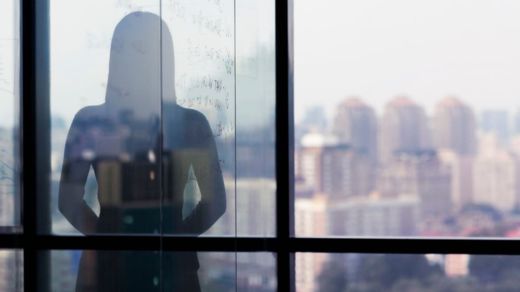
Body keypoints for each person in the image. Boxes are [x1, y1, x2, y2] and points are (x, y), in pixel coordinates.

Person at [58, 12, 226, 291]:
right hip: (163, 265)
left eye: (139, 49)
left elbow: (68, 201)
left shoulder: (91, 122)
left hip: (114, 265)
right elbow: (214, 202)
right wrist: (174, 239)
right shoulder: (190, 124)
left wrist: (107, 237)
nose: (129, 58)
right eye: (123, 48)